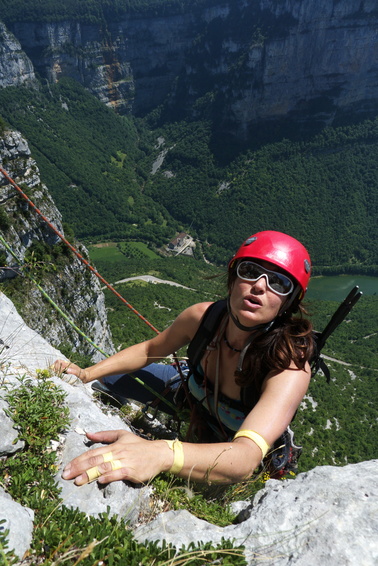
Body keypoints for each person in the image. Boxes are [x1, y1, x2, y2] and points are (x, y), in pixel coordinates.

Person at [54, 230, 314, 486]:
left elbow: (245, 457)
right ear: (233, 279)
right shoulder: (204, 318)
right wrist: (86, 374)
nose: (259, 286)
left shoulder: (288, 366)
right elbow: (149, 351)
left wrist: (160, 453)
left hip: (230, 440)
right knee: (109, 375)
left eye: (279, 283)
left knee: (207, 487)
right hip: (192, 397)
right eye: (249, 271)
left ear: (288, 302)